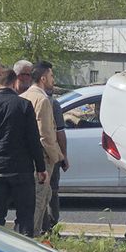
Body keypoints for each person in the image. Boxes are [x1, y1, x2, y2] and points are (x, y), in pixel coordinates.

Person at [0, 66, 47, 237]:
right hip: (22, 169)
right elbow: (33, 139)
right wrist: (41, 167)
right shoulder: (24, 105)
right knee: (24, 216)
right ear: (15, 82)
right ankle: (23, 251)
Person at [21, 61, 64, 233]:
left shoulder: (23, 96)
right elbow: (45, 135)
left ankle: (36, 233)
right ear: (43, 78)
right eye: (52, 76)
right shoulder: (43, 100)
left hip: (25, 156)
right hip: (41, 159)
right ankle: (31, 237)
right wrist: (57, 156)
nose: (53, 79)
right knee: (38, 200)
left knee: (39, 198)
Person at [42, 90, 69, 233]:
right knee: (52, 191)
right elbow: (60, 132)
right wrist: (64, 155)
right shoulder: (52, 103)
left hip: (35, 154)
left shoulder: (25, 98)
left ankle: (44, 226)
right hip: (51, 154)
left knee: (40, 193)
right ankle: (51, 227)